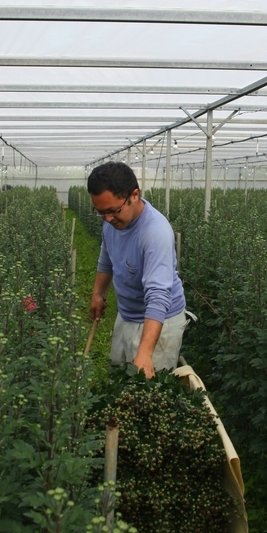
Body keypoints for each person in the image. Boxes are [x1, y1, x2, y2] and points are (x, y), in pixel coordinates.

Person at [88, 161, 186, 378]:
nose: (108, 219)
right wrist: (98, 293)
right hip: (127, 314)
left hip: (159, 324)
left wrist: (145, 352)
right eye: (101, 212)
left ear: (134, 195)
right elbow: (107, 257)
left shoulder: (155, 232)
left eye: (113, 211)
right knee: (119, 379)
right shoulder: (111, 222)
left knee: (147, 389)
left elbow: (158, 296)